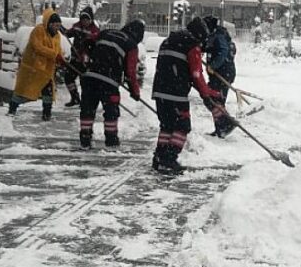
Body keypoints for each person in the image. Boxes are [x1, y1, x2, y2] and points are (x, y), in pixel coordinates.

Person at [151, 17, 222, 174]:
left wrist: (206, 92)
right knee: (183, 126)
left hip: (160, 91)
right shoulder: (192, 46)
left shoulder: (168, 41)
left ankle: (159, 157)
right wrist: (206, 94)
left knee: (167, 126)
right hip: (176, 93)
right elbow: (196, 74)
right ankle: (169, 159)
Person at [79, 20, 144, 149]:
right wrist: (135, 91)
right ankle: (111, 139)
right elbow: (130, 72)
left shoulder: (105, 32)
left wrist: (86, 58)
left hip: (90, 77)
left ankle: (85, 138)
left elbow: (87, 41)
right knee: (111, 111)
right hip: (109, 81)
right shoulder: (131, 45)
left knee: (87, 109)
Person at [8, 9, 65, 120]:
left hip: (46, 70)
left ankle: (47, 114)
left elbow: (58, 49)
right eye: (56, 25)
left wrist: (60, 57)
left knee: (48, 92)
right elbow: (37, 47)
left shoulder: (57, 35)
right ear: (49, 23)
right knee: (23, 91)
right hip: (32, 68)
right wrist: (54, 54)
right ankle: (12, 108)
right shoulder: (38, 31)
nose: (57, 28)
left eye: (59, 26)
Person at [202, 16, 237, 138]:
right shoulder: (212, 35)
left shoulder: (219, 36)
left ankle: (226, 124)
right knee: (211, 99)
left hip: (223, 73)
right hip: (217, 74)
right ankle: (221, 127)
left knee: (216, 100)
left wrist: (213, 65)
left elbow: (223, 51)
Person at [63, 7, 100, 107]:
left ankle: (85, 101)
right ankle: (75, 98)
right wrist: (63, 30)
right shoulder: (77, 26)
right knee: (68, 78)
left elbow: (96, 46)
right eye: (83, 19)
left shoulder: (95, 31)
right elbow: (68, 33)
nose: (84, 21)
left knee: (85, 82)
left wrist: (89, 47)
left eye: (87, 19)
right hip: (75, 58)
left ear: (91, 19)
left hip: (86, 61)